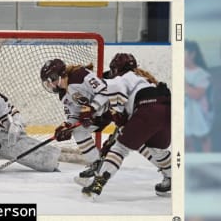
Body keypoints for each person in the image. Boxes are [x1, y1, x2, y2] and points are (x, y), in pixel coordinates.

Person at [76, 53, 172, 197]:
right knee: (157, 150)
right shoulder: (144, 79)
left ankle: (98, 183)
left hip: (147, 110)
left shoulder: (121, 79)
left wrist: (91, 109)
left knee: (120, 148)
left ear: (115, 69)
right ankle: (174, 177)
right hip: (166, 111)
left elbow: (106, 93)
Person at [39, 59, 112, 177]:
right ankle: (96, 163)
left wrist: (92, 108)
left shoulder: (80, 75)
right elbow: (75, 114)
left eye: (49, 81)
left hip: (115, 107)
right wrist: (67, 126)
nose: (49, 85)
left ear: (56, 76)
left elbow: (105, 91)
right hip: (99, 116)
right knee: (78, 132)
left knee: (134, 139)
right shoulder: (63, 95)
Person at [185, 40, 214, 152]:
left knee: (203, 137)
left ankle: (208, 160)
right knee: (187, 140)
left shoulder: (202, 74)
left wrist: (184, 84)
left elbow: (197, 94)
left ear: (192, 54)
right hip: (185, 110)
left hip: (199, 111)